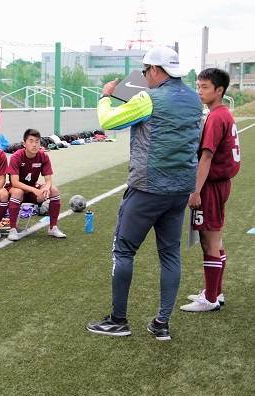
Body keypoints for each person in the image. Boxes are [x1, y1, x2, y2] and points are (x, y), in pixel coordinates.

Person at [86, 46, 202, 340]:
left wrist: (104, 96)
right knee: (170, 254)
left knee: (124, 251)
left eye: (145, 70)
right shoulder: (193, 98)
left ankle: (118, 320)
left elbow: (108, 121)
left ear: (153, 70)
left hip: (148, 188)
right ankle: (162, 323)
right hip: (180, 189)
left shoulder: (148, 97)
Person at [180, 68, 241, 312]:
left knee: (209, 241)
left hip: (212, 185)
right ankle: (215, 292)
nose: (200, 91)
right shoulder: (223, 113)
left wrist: (195, 191)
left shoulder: (216, 117)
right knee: (215, 240)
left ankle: (211, 300)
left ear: (219, 90)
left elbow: (206, 158)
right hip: (220, 183)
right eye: (199, 86)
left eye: (205, 87)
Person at [6, 128, 66, 241]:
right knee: (18, 191)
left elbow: (48, 180)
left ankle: (53, 228)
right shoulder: (16, 157)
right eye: (31, 141)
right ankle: (13, 229)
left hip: (33, 187)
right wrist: (34, 190)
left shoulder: (44, 157)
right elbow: (15, 182)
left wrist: (46, 188)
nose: (34, 144)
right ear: (24, 143)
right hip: (16, 188)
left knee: (54, 190)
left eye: (37, 141)